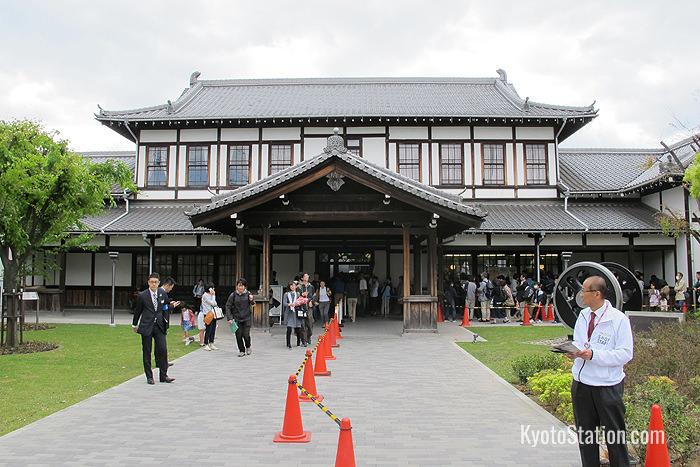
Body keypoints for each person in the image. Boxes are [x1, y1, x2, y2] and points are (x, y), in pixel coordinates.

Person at [567, 275, 633, 467]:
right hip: (581, 384)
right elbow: (580, 342)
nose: (581, 295)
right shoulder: (584, 315)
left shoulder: (618, 319)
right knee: (586, 436)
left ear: (596, 294)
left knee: (615, 437)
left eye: (584, 291)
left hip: (607, 386)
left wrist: (594, 355)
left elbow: (625, 353)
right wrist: (574, 351)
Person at [132, 273, 174, 384]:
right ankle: (149, 377)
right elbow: (138, 311)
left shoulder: (162, 293)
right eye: (152, 282)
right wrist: (134, 324)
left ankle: (163, 375)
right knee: (147, 351)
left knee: (163, 350)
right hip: (146, 325)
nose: (154, 284)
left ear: (159, 283)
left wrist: (166, 322)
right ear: (148, 282)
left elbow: (165, 307)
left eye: (156, 282)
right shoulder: (142, 295)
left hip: (159, 325)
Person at [225, 278, 255, 357]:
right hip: (237, 318)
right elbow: (228, 306)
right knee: (238, 335)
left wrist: (252, 300)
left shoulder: (248, 294)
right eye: (239, 286)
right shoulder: (233, 295)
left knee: (246, 334)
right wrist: (229, 318)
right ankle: (241, 350)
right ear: (237, 286)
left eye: (242, 286)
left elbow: (253, 304)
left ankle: (248, 346)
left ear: (245, 287)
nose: (241, 287)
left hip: (247, 318)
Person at [282, 281, 305, 349]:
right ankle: (288, 343)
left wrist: (299, 302)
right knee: (289, 328)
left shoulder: (297, 294)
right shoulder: (286, 294)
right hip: (289, 312)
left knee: (298, 329)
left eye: (294, 285)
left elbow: (301, 301)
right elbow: (284, 303)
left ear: (296, 287)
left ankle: (298, 342)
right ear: (289, 287)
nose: (293, 287)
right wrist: (290, 304)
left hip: (296, 312)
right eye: (291, 285)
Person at [200, 283, 219, 351]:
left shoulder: (211, 295)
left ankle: (211, 343)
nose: (213, 289)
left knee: (213, 329)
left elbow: (215, 304)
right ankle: (206, 344)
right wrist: (213, 295)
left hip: (213, 314)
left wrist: (213, 295)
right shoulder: (205, 295)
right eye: (212, 288)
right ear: (209, 288)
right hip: (207, 314)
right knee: (208, 329)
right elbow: (213, 303)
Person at [298, 273, 315, 343]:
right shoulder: (299, 287)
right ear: (302, 278)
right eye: (305, 276)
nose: (307, 277)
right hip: (301, 307)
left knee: (310, 322)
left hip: (309, 307)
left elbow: (314, 296)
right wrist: (302, 295)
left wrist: (311, 301)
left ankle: (309, 336)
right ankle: (304, 340)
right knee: (302, 324)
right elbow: (296, 296)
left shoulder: (311, 287)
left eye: (308, 276)